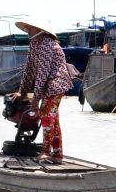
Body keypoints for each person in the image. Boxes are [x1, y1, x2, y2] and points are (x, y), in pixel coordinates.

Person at [9, 21, 77, 164]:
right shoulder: (35, 45)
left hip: (56, 84)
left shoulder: (48, 45)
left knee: (46, 116)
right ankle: (57, 154)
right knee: (53, 120)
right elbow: (29, 70)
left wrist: (35, 100)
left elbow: (43, 74)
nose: (27, 30)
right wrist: (22, 92)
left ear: (39, 29)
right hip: (47, 86)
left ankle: (46, 152)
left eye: (30, 28)